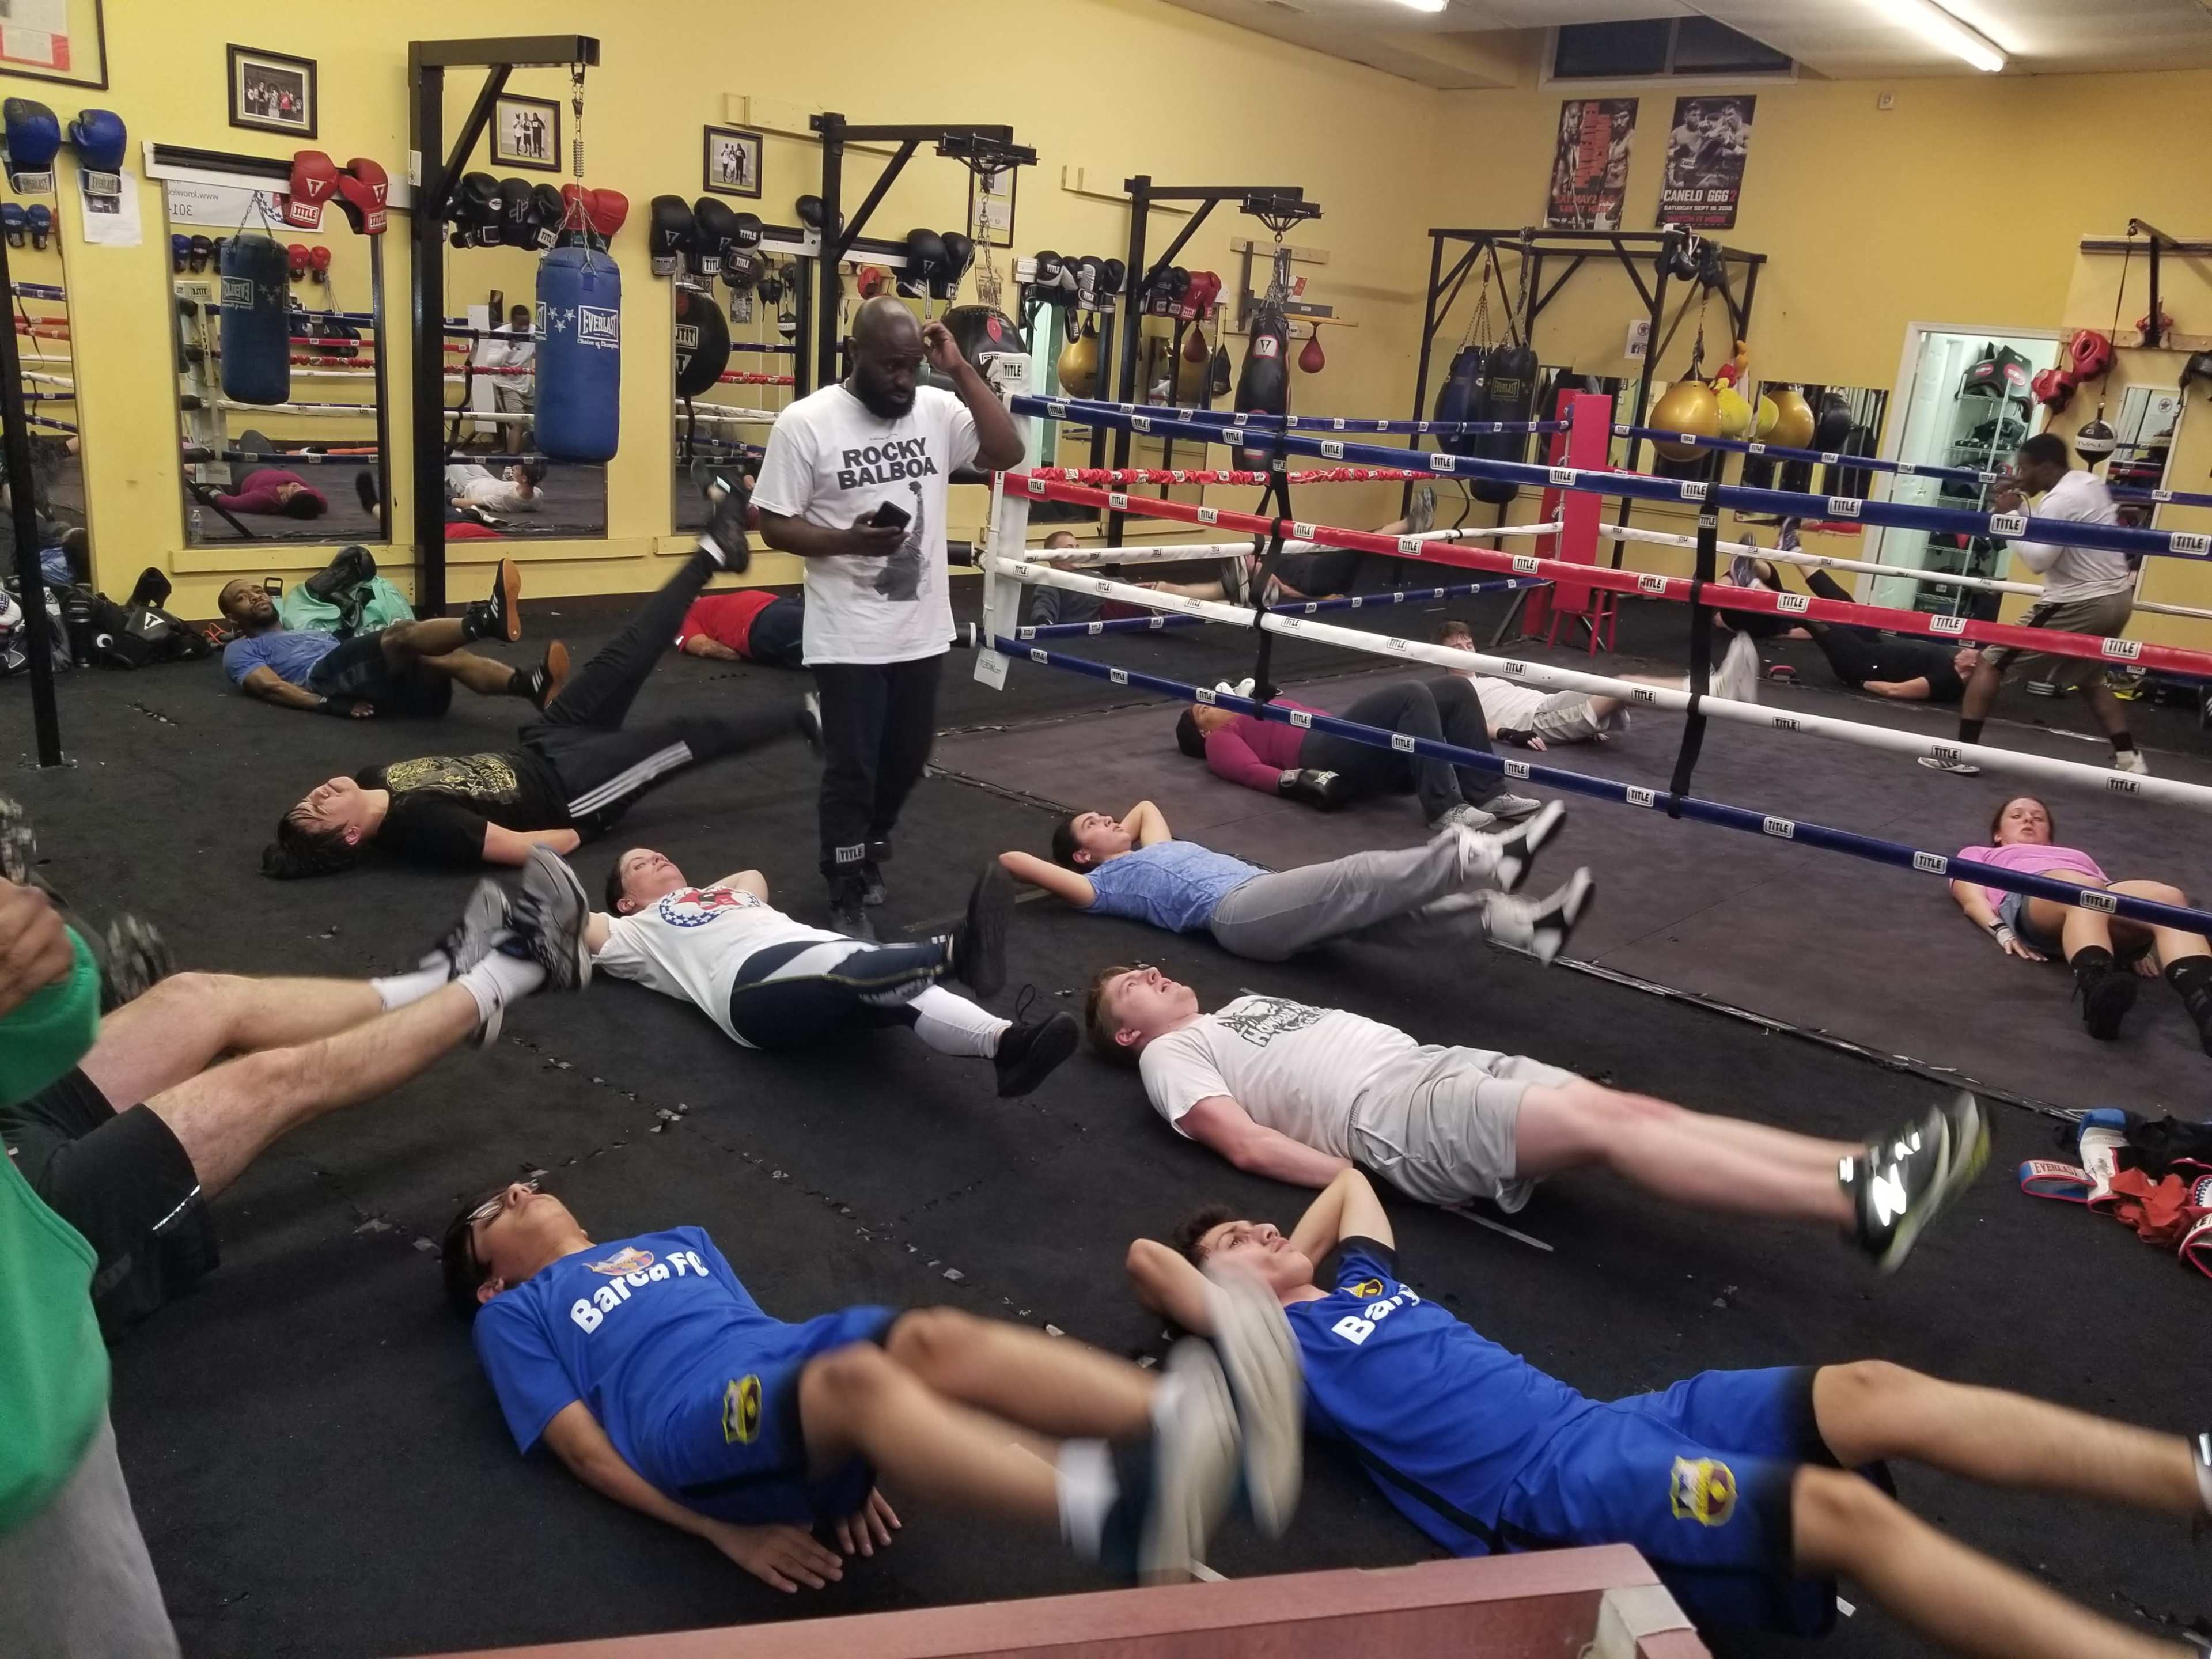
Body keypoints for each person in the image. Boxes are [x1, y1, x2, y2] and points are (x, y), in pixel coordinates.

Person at [1130, 1169, 2212, 1659]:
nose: (1264, 1234)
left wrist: (1290, 1249)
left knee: (1873, 1391)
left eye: (1262, 1227)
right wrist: (1232, 1279)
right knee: (1842, 1515)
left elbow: (1352, 1181)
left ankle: (2193, 1478)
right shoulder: (1274, 1352)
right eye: (1234, 1245)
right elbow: (1149, 1266)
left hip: (1616, 1417)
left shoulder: (1357, 1286)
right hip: (1548, 1491)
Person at [441, 1177, 1305, 1590]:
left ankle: (1196, 1418)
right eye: (495, 1210)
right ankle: (1120, 1519)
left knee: (928, 1334)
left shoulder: (676, 1236)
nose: (521, 1188)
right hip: (686, 1423)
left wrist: (846, 1449)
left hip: (779, 1368)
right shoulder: (514, 1317)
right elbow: (586, 1454)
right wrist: (720, 1533)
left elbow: (758, 1325)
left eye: (521, 1184)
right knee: (857, 1377)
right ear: (489, 1280)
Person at [1, 850, 587, 1340]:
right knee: (269, 1080)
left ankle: (441, 984)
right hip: (25, 1242)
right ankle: (520, 966)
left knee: (196, 999)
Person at [1091, 967, 1987, 1267]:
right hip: (1393, 1116)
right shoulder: (1169, 1057)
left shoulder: (1230, 1004)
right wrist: (1354, 1181)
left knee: (1637, 1110)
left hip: (1430, 1065)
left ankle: (1857, 1171)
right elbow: (1243, 1144)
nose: (1157, 974)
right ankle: (1855, 1203)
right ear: (1129, 1032)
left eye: (1149, 967)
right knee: (1612, 1130)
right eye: (1137, 987)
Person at [264, 522, 800, 878]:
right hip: (574, 787)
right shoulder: (417, 828)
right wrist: (590, 821)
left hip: (546, 744)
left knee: (628, 650)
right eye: (318, 811)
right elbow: (527, 849)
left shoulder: (373, 776)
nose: (317, 795)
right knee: (685, 736)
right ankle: (812, 715)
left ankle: (711, 552)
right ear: (352, 836)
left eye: (307, 799)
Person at [752, 294, 1027, 934]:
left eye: (911, 366)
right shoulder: (807, 422)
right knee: (855, 766)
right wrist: (848, 540)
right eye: (890, 368)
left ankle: (872, 843)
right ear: (856, 356)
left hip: (920, 629)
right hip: (847, 632)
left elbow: (1006, 451)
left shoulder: (934, 407)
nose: (903, 380)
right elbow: (773, 526)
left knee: (907, 758)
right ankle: (843, 882)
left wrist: (959, 369)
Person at [0, 870, 179, 1655]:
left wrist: (45, 963)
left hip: (37, 1397)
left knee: (210, 1003)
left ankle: (481, 978)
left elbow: (47, 1018)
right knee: (261, 1081)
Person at [589, 848, 1079, 1097]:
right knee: (849, 966)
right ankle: (953, 952)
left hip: (809, 951)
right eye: (638, 862)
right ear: (625, 900)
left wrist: (695, 895)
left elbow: (750, 877)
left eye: (658, 853)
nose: (656, 856)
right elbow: (570, 920)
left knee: (898, 987)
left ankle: (1008, 1047)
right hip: (746, 985)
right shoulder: (633, 931)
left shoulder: (729, 895)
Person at [1003, 798, 1590, 966]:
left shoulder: (1153, 845)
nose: (1109, 819)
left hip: (1265, 898)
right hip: (1235, 915)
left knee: (1381, 918)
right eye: (1092, 825)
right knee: (1356, 874)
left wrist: (1114, 830)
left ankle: (1522, 925)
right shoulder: (1103, 887)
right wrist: (1088, 856)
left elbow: (1145, 804)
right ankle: (1483, 860)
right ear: (1081, 855)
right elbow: (1014, 858)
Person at [1921, 434, 2144, 777]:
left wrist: (2009, 520)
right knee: (2090, 680)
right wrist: (2022, 508)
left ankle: (1960, 754)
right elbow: (2046, 529)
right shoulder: (2087, 482)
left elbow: (2040, 560)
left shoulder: (2060, 500)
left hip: (2080, 601)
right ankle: (2130, 759)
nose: (2021, 476)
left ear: (2048, 467)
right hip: (2117, 598)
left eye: (2026, 469)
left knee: (1990, 664)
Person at [1948, 794, 2212, 1051]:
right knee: (2085, 889)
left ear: (2050, 836)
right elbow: (1970, 896)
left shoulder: (2077, 856)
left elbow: (2111, 894)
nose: (2028, 820)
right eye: (2017, 816)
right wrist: (2000, 930)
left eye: (2038, 818)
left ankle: (2205, 1004)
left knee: (2168, 897)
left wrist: (2139, 934)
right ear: (1998, 834)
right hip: (2033, 898)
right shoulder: (1981, 852)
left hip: (2093, 897)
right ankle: (2097, 990)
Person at [218, 557, 566, 718]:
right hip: (324, 679)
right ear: (233, 617)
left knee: (445, 657)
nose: (258, 596)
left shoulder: (304, 628)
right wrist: (326, 705)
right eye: (244, 597)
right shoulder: (241, 648)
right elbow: (268, 687)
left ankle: (529, 686)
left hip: (407, 699)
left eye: (257, 590)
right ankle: (485, 621)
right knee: (400, 634)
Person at [1175, 677, 1543, 828]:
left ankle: (1488, 793)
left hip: (1348, 744)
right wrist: (1301, 783)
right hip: (1323, 754)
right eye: (1202, 708)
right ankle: (1444, 809)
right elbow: (1247, 771)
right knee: (1412, 693)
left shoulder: (1252, 707)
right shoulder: (1220, 737)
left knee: (1457, 688)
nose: (1210, 701)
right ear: (1204, 730)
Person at [1435, 618, 1761, 747]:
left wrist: (1586, 717)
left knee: (1624, 689)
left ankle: (1712, 692)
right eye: (1456, 648)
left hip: (1552, 705)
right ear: (1440, 657)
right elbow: (1468, 723)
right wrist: (1511, 735)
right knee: (1622, 684)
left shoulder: (1486, 676)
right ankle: (1714, 691)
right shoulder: (1450, 690)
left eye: (1468, 644)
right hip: (1539, 721)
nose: (1466, 650)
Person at [1720, 544, 1967, 704]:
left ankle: (1755, 586)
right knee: (1849, 607)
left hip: (1859, 661)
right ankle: (1794, 551)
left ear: (1974, 667)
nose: (1968, 650)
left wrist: (1862, 682)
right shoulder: (1950, 666)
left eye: (1974, 652)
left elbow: (1897, 691)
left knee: (1811, 614)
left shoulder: (1949, 680)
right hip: (1873, 646)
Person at [1141, 490, 1436, 609]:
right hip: (1317, 576)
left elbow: (1274, 587)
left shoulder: (1249, 564)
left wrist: (1155, 590)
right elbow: (1282, 590)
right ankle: (1410, 524)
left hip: (1320, 575)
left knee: (1360, 542)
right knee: (1359, 541)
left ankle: (1157, 594)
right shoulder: (1258, 565)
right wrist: (1314, 596)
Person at [677, 586, 806, 669]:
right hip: (761, 622)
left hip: (777, 605)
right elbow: (704, 647)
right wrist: (741, 656)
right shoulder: (686, 621)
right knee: (817, 629)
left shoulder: (708, 602)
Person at [214, 466, 328, 520]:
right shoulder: (315, 499)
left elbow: (229, 503)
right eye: (303, 488)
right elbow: (321, 504)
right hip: (268, 465)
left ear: (285, 500)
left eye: (294, 489)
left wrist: (211, 492)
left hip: (243, 473)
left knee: (222, 448)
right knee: (252, 434)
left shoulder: (263, 498)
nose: (296, 484)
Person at [447, 458, 547, 518]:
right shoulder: (538, 493)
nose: (513, 468)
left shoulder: (504, 498)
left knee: (448, 460)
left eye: (516, 469)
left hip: (469, 485)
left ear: (524, 478)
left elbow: (473, 502)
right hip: (488, 479)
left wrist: (449, 500)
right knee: (458, 455)